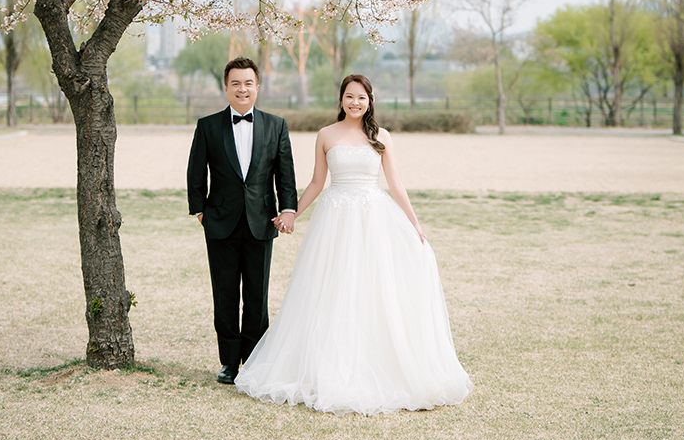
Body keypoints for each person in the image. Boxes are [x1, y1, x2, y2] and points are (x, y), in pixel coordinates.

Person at [235, 74, 472, 415]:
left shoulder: (381, 137)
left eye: (361, 97)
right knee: (331, 288)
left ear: (369, 100)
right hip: (335, 218)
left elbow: (395, 182)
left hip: (373, 218)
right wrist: (293, 213)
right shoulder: (326, 135)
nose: (355, 102)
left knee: (373, 288)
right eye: (349, 96)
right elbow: (317, 182)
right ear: (341, 99)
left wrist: (414, 222)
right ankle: (328, 362)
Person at [187, 57, 297, 386]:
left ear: (258, 87)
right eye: (236, 83)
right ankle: (229, 362)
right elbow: (196, 171)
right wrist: (199, 210)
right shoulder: (207, 125)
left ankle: (254, 362)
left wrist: (288, 208)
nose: (242, 89)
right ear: (226, 87)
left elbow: (285, 173)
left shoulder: (276, 125)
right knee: (224, 294)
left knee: (256, 295)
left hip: (261, 220)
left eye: (248, 83)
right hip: (219, 220)